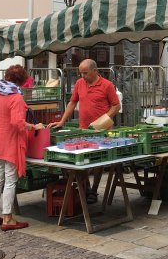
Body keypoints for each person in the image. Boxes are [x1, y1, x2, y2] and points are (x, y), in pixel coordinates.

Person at [49, 59, 120, 203]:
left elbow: (116, 106)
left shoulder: (107, 85)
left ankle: (94, 190)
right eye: (81, 73)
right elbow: (72, 102)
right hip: (84, 129)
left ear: (95, 70)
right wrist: (62, 120)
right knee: (83, 161)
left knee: (99, 161)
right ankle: (86, 188)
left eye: (85, 73)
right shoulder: (80, 83)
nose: (82, 76)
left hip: (102, 131)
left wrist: (104, 120)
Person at [0, 65, 44, 231]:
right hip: (10, 141)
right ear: (21, 80)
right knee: (10, 180)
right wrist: (34, 127)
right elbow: (17, 123)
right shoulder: (15, 97)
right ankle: (7, 218)